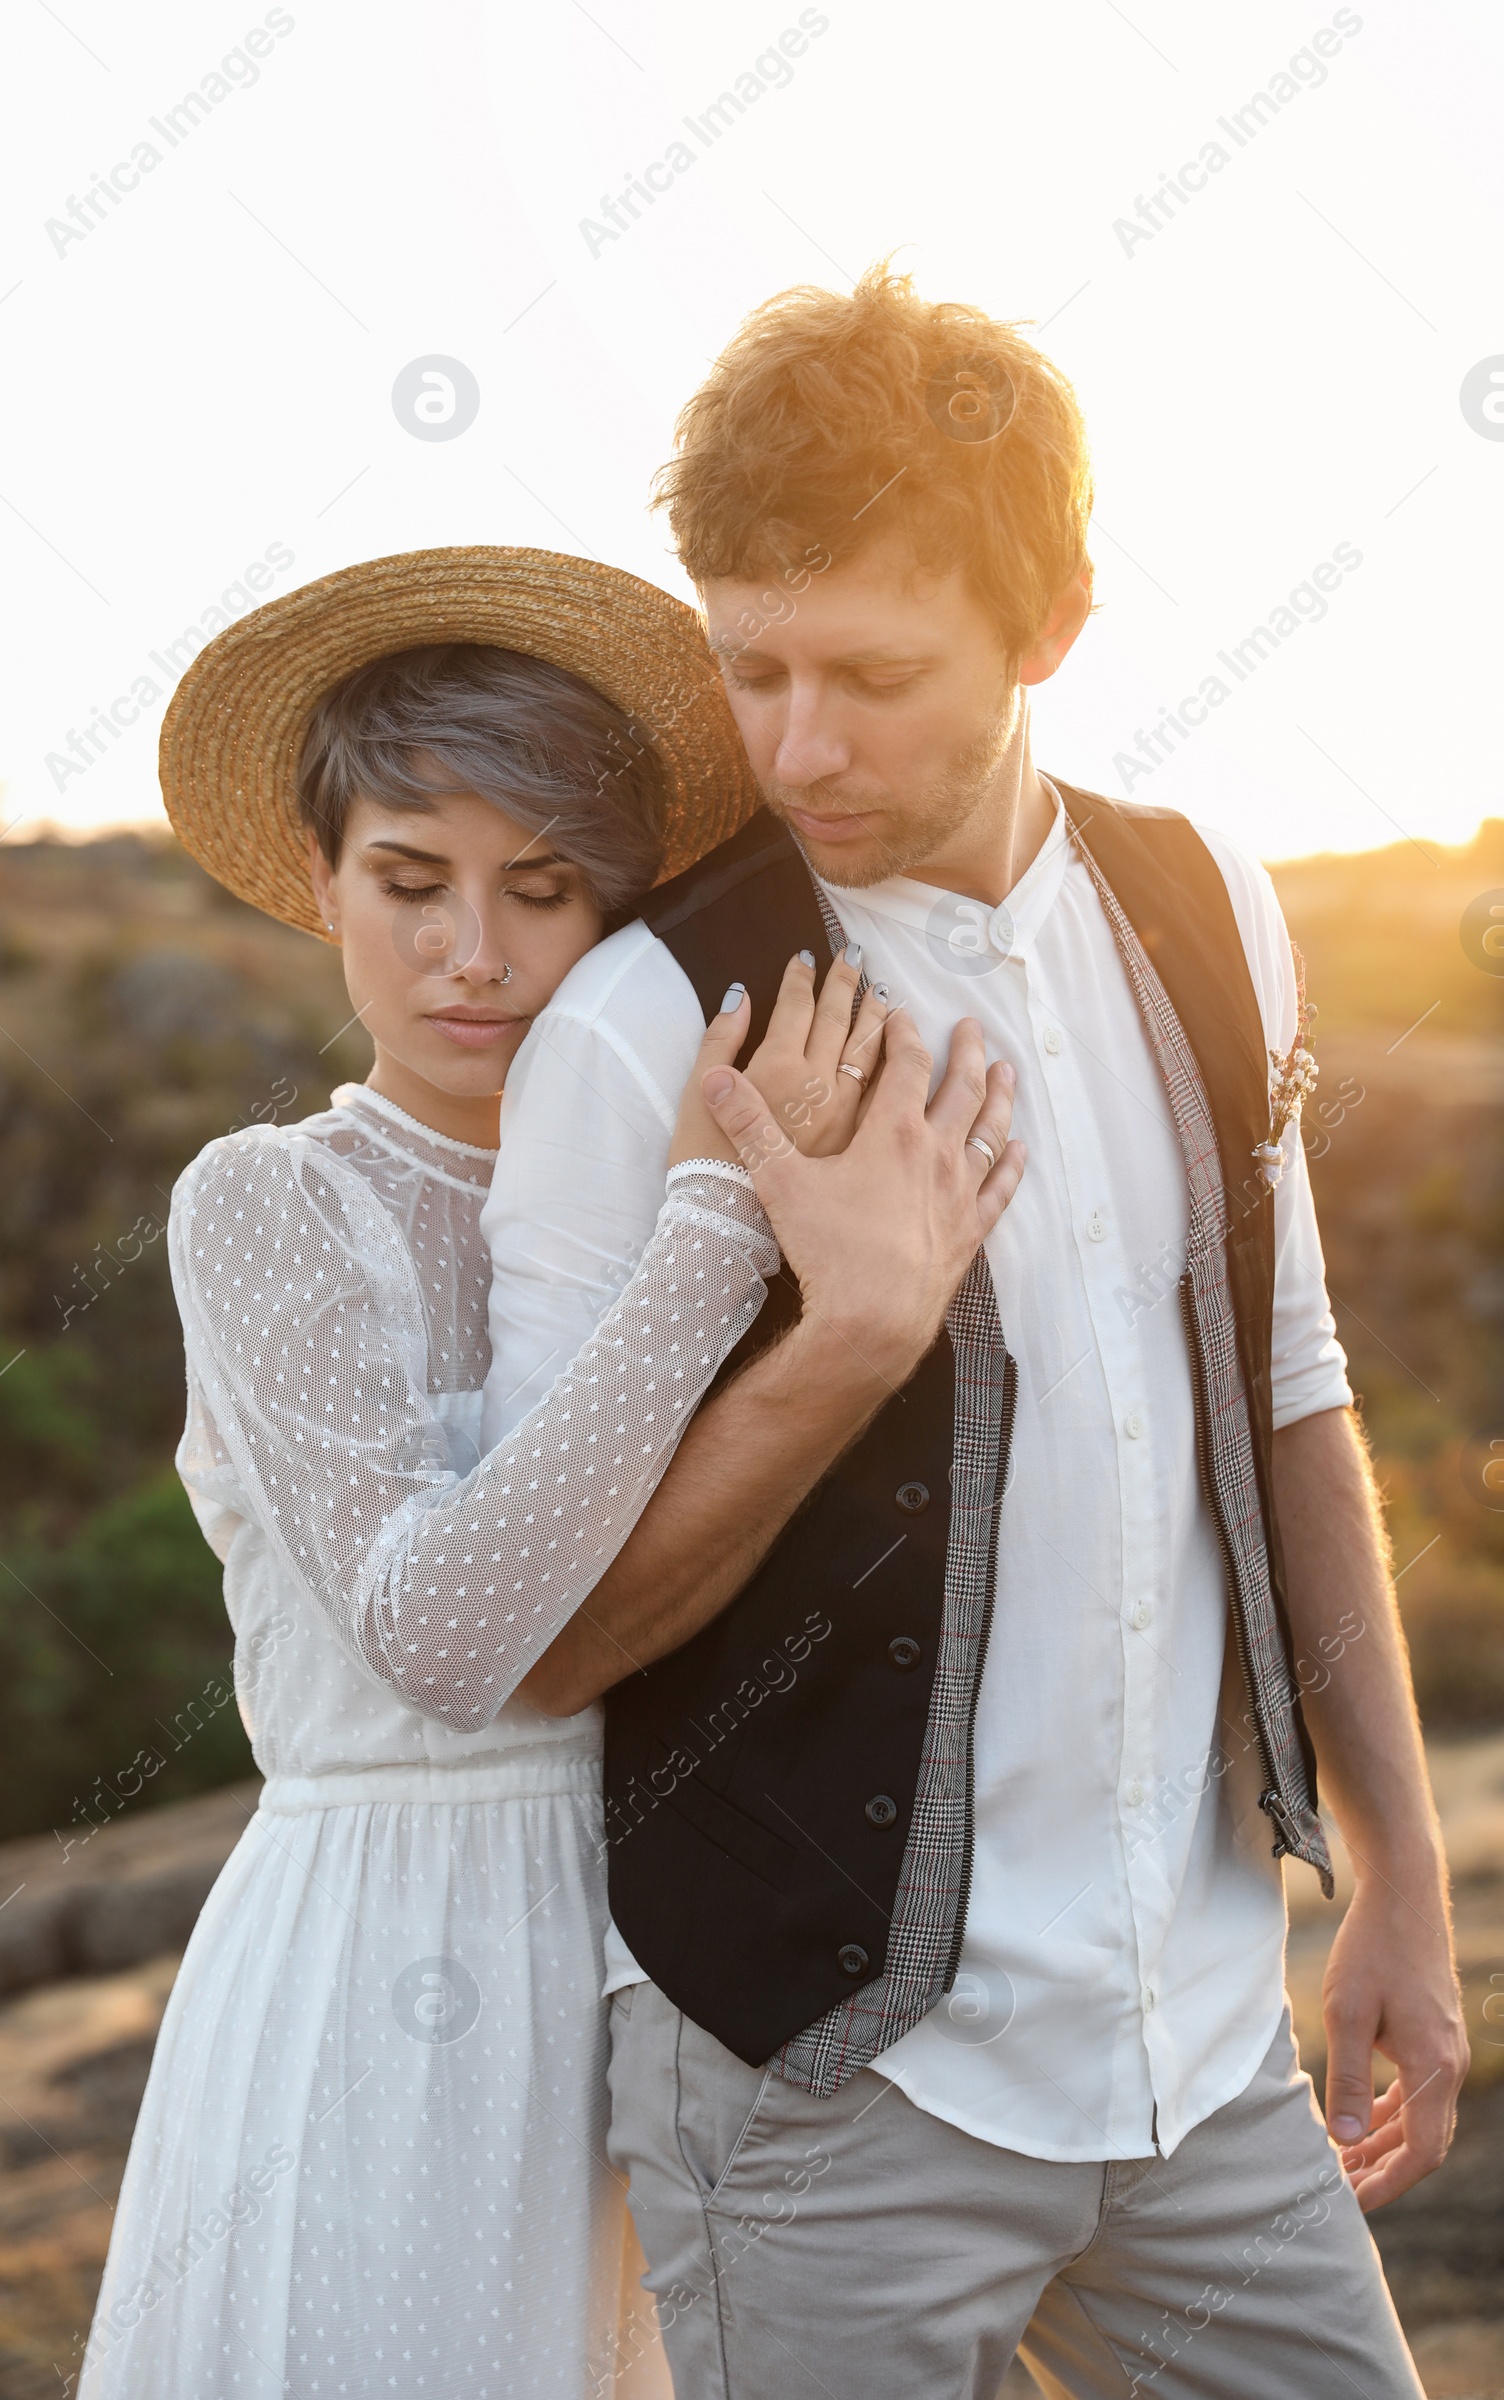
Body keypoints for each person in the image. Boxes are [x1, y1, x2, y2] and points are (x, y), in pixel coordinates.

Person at [484, 275, 1469, 2397]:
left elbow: (1285, 1387)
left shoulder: (1208, 896)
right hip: (826, 2094)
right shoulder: (644, 1026)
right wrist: (844, 1336)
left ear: (1052, 628)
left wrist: (1394, 1868)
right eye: (747, 667)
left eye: (870, 672)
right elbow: (549, 1639)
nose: (795, 748)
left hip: (1198, 2054)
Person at [79, 545, 1023, 2399]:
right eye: (408, 884)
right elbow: (444, 1633)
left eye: (544, 891)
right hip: (387, 1949)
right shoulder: (270, 1201)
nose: (475, 956)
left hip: (662, 1943)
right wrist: (716, 1225)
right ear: (325, 887)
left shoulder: (631, 1158)